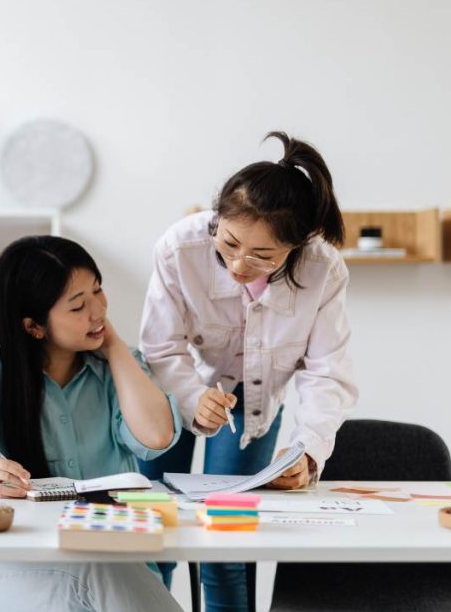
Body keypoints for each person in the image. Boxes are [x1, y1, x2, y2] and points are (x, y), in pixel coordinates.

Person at [138, 132, 359, 612]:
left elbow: (327, 373)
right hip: (168, 391)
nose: (240, 264)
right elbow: (160, 346)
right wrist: (194, 397)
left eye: (263, 257)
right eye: (231, 243)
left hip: (255, 404)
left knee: (226, 545)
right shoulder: (180, 248)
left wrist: (308, 451)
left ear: (296, 248)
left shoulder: (325, 270)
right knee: (152, 536)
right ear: (217, 218)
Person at [0, 235, 184, 612]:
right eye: (78, 306)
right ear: (33, 326)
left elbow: (157, 436)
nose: (97, 311)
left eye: (98, 292)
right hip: (8, 561)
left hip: (112, 555)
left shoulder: (118, 370)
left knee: (101, 576)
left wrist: (115, 346)